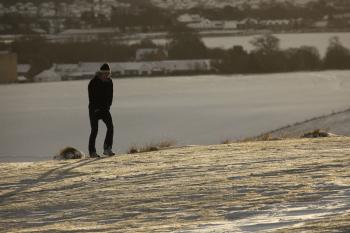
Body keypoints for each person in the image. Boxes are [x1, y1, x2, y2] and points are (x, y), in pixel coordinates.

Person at [88, 63, 115, 158]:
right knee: (94, 130)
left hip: (105, 109)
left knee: (110, 127)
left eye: (108, 73)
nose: (106, 75)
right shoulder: (93, 82)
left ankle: (107, 148)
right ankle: (92, 152)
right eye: (105, 73)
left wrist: (108, 106)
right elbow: (92, 97)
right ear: (100, 73)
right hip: (94, 109)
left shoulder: (110, 82)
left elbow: (110, 96)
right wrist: (96, 109)